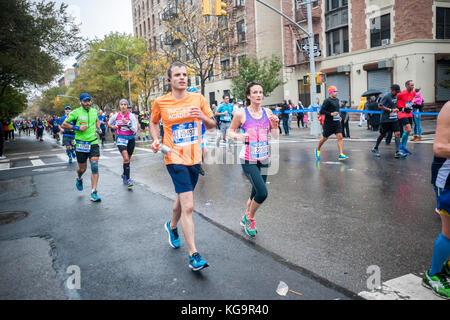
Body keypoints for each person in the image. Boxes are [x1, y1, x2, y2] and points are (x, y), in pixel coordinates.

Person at [149, 62, 216, 271]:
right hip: (174, 157)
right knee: (188, 205)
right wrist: (155, 139)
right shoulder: (161, 102)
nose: (182, 78)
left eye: (185, 74)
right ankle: (194, 255)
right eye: (177, 75)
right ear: (169, 79)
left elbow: (212, 124)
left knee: (181, 198)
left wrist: (202, 116)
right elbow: (152, 122)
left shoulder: (198, 99)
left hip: (194, 159)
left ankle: (172, 226)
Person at [228, 82, 279, 237]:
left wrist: (275, 125)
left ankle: (245, 216)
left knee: (254, 193)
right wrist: (238, 136)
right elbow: (230, 131)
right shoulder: (241, 114)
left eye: (260, 92)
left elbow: (275, 137)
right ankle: (250, 218)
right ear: (249, 96)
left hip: (263, 158)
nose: (258, 95)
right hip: (248, 159)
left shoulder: (268, 112)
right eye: (255, 92)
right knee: (262, 193)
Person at [422, 100, 450, 299]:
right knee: (449, 231)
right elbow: (439, 148)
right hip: (448, 177)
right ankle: (432, 275)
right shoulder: (449, 108)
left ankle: (447, 266)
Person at [61, 93, 102, 202]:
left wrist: (98, 128)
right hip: (81, 144)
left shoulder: (94, 111)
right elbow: (64, 124)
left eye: (89, 101)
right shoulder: (75, 112)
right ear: (81, 102)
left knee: (94, 165)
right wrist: (77, 127)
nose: (88, 103)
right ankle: (79, 178)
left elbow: (97, 119)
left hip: (93, 142)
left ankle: (94, 192)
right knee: (82, 169)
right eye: (85, 101)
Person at [371, 85, 407, 159]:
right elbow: (380, 106)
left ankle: (397, 152)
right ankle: (375, 148)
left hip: (394, 119)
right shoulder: (386, 96)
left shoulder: (396, 96)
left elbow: (395, 105)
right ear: (392, 90)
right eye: (396, 92)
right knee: (382, 134)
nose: (397, 93)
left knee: (397, 133)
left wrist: (401, 109)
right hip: (385, 119)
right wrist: (390, 110)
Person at [108, 99, 138, 189]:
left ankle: (124, 175)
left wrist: (128, 123)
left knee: (127, 159)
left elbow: (135, 130)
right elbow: (109, 124)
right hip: (121, 138)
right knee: (125, 158)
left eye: (125, 104)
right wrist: (113, 126)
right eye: (122, 104)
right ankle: (128, 179)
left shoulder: (131, 116)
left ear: (127, 106)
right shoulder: (116, 115)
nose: (123, 106)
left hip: (131, 139)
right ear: (119, 106)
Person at [315, 86, 349, 161]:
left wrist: (339, 115)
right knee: (324, 138)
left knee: (340, 136)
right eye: (334, 91)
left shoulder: (337, 100)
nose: (336, 93)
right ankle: (317, 149)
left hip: (336, 122)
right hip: (328, 123)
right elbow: (321, 112)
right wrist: (331, 114)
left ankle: (341, 154)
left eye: (336, 91)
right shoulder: (327, 101)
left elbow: (337, 110)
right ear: (330, 92)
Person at [396, 80, 416, 155]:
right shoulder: (400, 94)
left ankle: (403, 147)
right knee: (409, 128)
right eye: (411, 85)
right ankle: (401, 147)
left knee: (407, 131)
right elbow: (395, 103)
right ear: (407, 86)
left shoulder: (413, 93)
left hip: (409, 114)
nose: (413, 87)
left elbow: (413, 98)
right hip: (402, 114)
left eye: (413, 85)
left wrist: (412, 103)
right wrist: (402, 108)